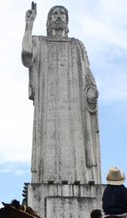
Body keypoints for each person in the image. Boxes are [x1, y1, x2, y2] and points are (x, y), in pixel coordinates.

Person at [22, 4, 101, 184]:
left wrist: (91, 90)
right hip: (48, 108)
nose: (59, 16)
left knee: (76, 145)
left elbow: (87, 72)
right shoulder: (39, 42)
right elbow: (26, 55)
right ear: (49, 20)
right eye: (55, 14)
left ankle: (79, 180)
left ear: (67, 20)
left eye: (62, 14)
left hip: (75, 110)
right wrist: (29, 25)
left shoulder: (77, 45)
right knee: (49, 145)